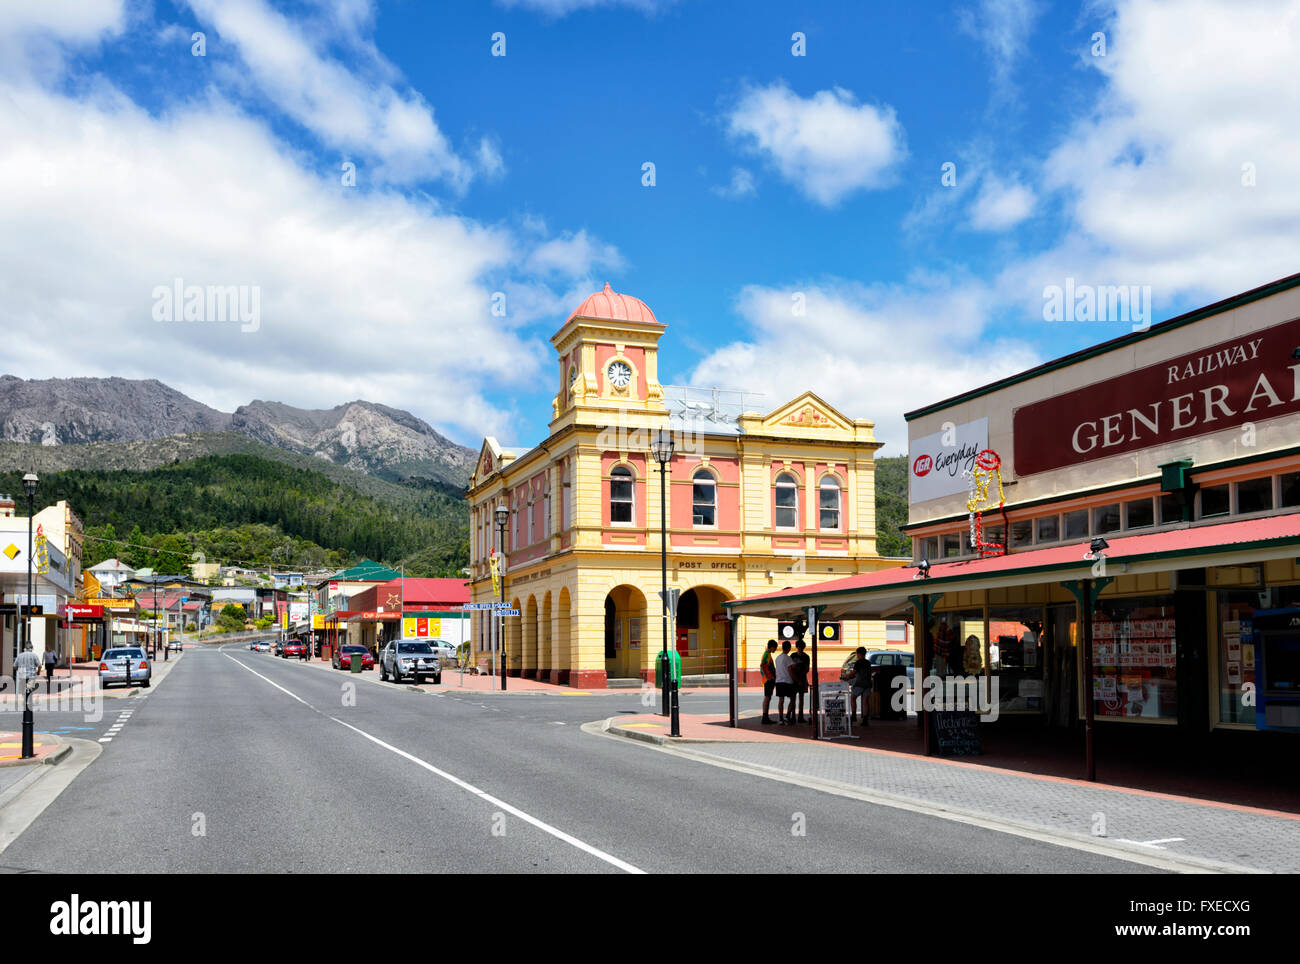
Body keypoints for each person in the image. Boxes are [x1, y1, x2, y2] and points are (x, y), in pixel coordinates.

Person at [846, 646, 872, 726]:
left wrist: (846, 676)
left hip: (859, 683)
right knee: (865, 701)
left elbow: (853, 673)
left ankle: (854, 716)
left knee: (853, 698)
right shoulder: (868, 662)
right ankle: (865, 719)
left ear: (858, 654)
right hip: (868, 684)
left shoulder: (858, 662)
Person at [789, 639, 811, 723]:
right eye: (799, 648)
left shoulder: (806, 657)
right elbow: (790, 667)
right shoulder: (793, 656)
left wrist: (800, 673)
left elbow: (807, 669)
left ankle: (800, 716)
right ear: (796, 647)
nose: (800, 649)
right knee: (793, 698)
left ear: (803, 648)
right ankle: (793, 715)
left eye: (801, 648)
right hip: (794, 679)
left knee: (801, 698)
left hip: (801, 679)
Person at [759, 639, 779, 724]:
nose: (775, 650)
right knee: (767, 697)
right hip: (768, 680)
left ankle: (765, 716)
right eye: (775, 648)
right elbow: (762, 665)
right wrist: (768, 677)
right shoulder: (767, 655)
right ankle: (765, 717)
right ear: (772, 647)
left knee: (768, 697)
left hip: (768, 679)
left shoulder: (768, 654)